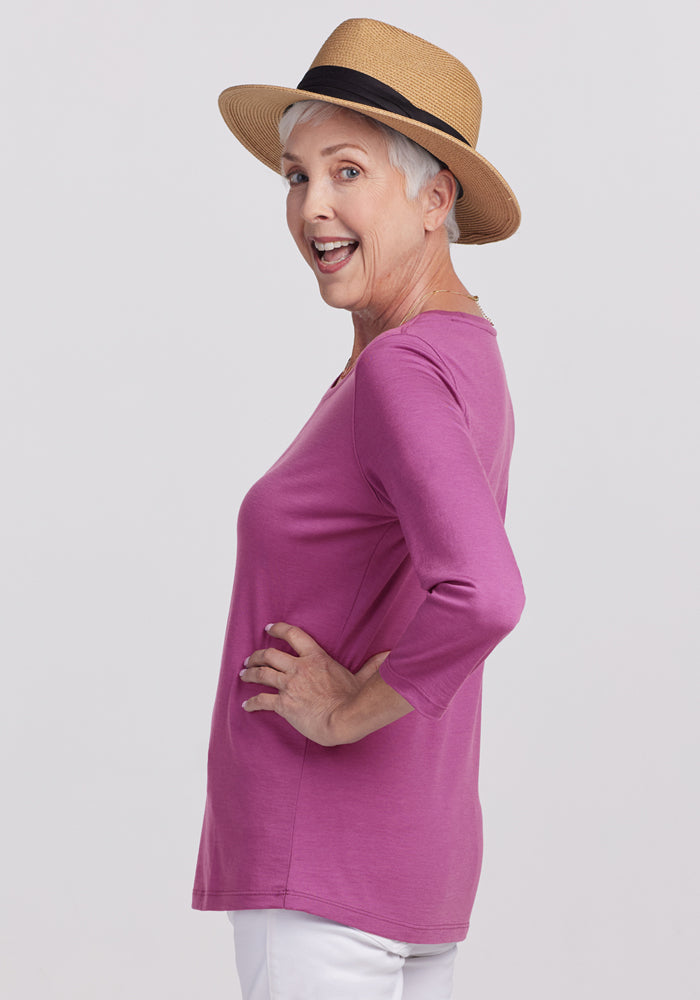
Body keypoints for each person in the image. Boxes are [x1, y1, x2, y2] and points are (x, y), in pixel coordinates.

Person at [193, 18, 525, 1000]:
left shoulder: (398, 371)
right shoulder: (467, 352)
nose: (312, 208)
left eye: (346, 172)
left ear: (434, 197)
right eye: (297, 177)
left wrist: (345, 710)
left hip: (319, 868)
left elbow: (484, 593)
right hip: (411, 865)